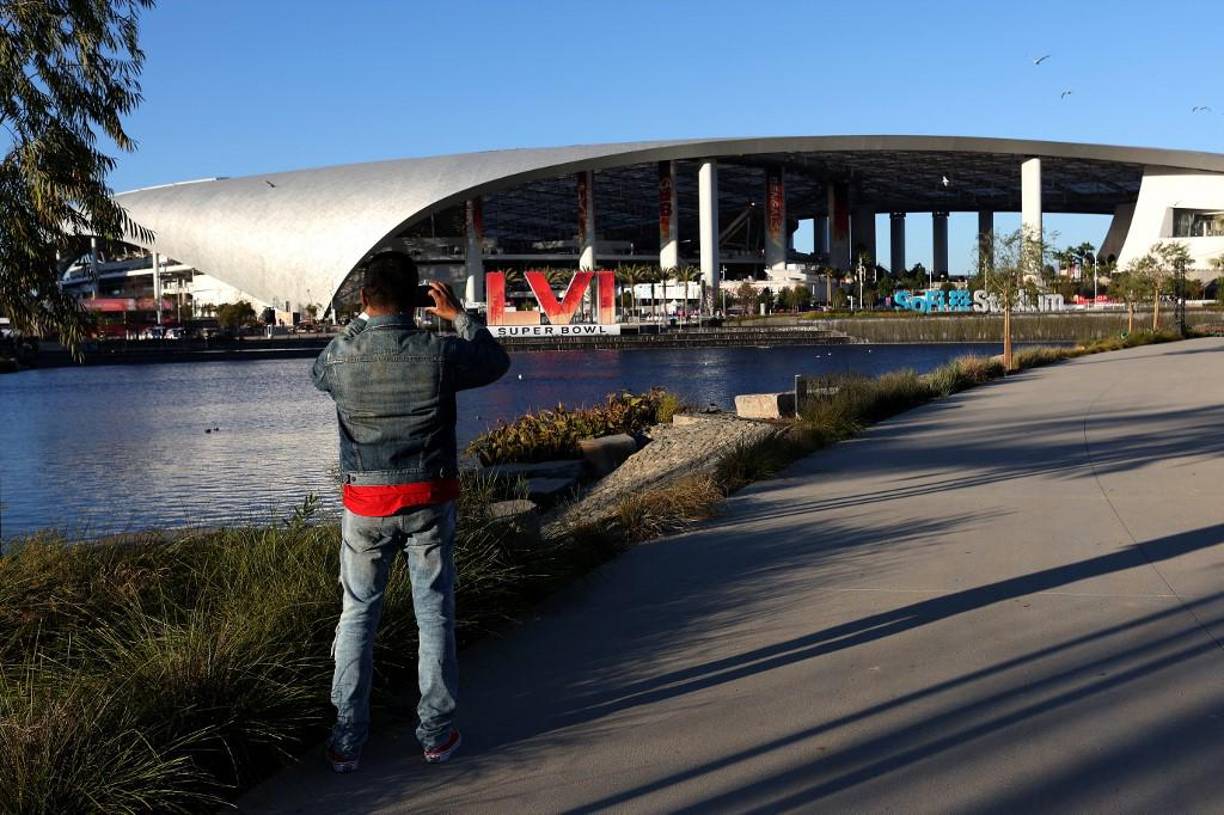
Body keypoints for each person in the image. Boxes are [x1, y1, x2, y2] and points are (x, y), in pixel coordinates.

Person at [311, 250, 510, 773]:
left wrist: (362, 321)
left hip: (366, 503)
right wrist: (458, 316)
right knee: (434, 614)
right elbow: (495, 362)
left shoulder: (339, 355)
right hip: (429, 498)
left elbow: (318, 375)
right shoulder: (439, 352)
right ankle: (436, 734)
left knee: (357, 614)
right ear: (421, 297)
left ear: (363, 299)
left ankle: (348, 738)